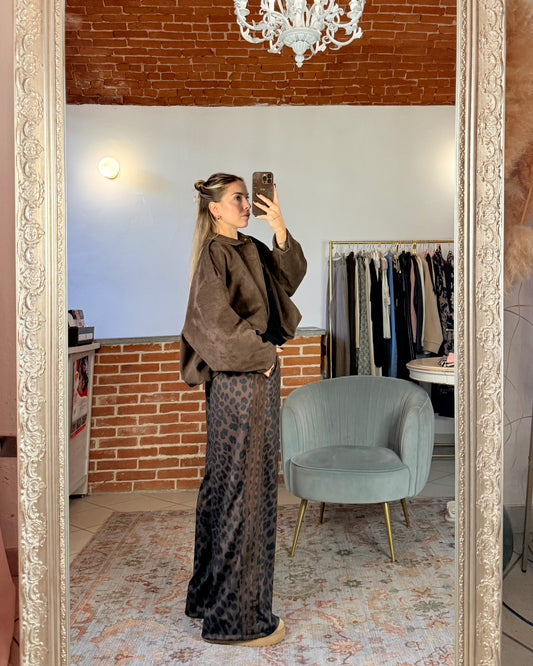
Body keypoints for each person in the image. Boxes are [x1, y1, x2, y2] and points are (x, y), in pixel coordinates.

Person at [180, 172, 307, 647]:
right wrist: (264, 356)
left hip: (252, 376)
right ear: (214, 207)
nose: (246, 204)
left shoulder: (248, 247)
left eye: (247, 198)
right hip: (243, 379)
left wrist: (280, 229)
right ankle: (238, 621)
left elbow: (286, 282)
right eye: (237, 199)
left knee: (227, 484)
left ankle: (209, 598)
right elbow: (211, 325)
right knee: (245, 491)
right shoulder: (214, 254)